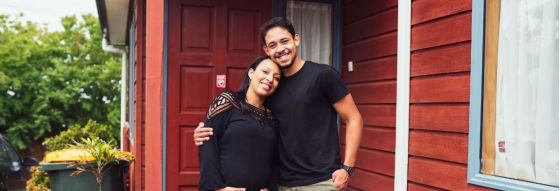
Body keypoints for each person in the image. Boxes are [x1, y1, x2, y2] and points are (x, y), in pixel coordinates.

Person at [195, 17, 363, 190]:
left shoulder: (323, 75)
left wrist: (347, 168)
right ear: (266, 50)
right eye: (273, 45)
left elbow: (354, 118)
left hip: (320, 181)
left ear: (296, 39)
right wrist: (204, 132)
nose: (280, 49)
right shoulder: (270, 89)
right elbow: (246, 130)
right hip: (282, 184)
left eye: (284, 41)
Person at [198, 56, 283, 191]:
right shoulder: (227, 101)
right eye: (265, 72)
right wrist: (217, 188)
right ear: (251, 73)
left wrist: (271, 188)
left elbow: (274, 159)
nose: (270, 79)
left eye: (276, 77)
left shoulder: (273, 117)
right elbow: (207, 144)